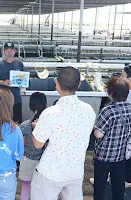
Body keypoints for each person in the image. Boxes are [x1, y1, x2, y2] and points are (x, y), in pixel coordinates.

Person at [30, 67, 96, 200]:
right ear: (78, 85)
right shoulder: (89, 110)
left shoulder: (50, 113)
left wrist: (35, 128)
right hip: (75, 171)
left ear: (57, 84)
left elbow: (37, 144)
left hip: (50, 171)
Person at [93, 77, 131, 200]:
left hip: (104, 155)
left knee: (100, 184)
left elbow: (98, 134)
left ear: (111, 93)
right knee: (118, 182)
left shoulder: (108, 110)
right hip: (121, 154)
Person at [19, 92, 47, 200]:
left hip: (27, 161)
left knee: (25, 189)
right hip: (44, 162)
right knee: (40, 190)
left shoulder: (25, 125)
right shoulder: (47, 125)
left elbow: (22, 143)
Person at [0, 42, 25, 124]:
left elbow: (24, 78)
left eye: (11, 50)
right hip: (3, 100)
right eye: (7, 50)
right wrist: (3, 82)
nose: (9, 52)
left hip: (16, 99)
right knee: (3, 122)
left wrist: (22, 84)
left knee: (17, 123)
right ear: (4, 52)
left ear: (14, 51)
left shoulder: (20, 64)